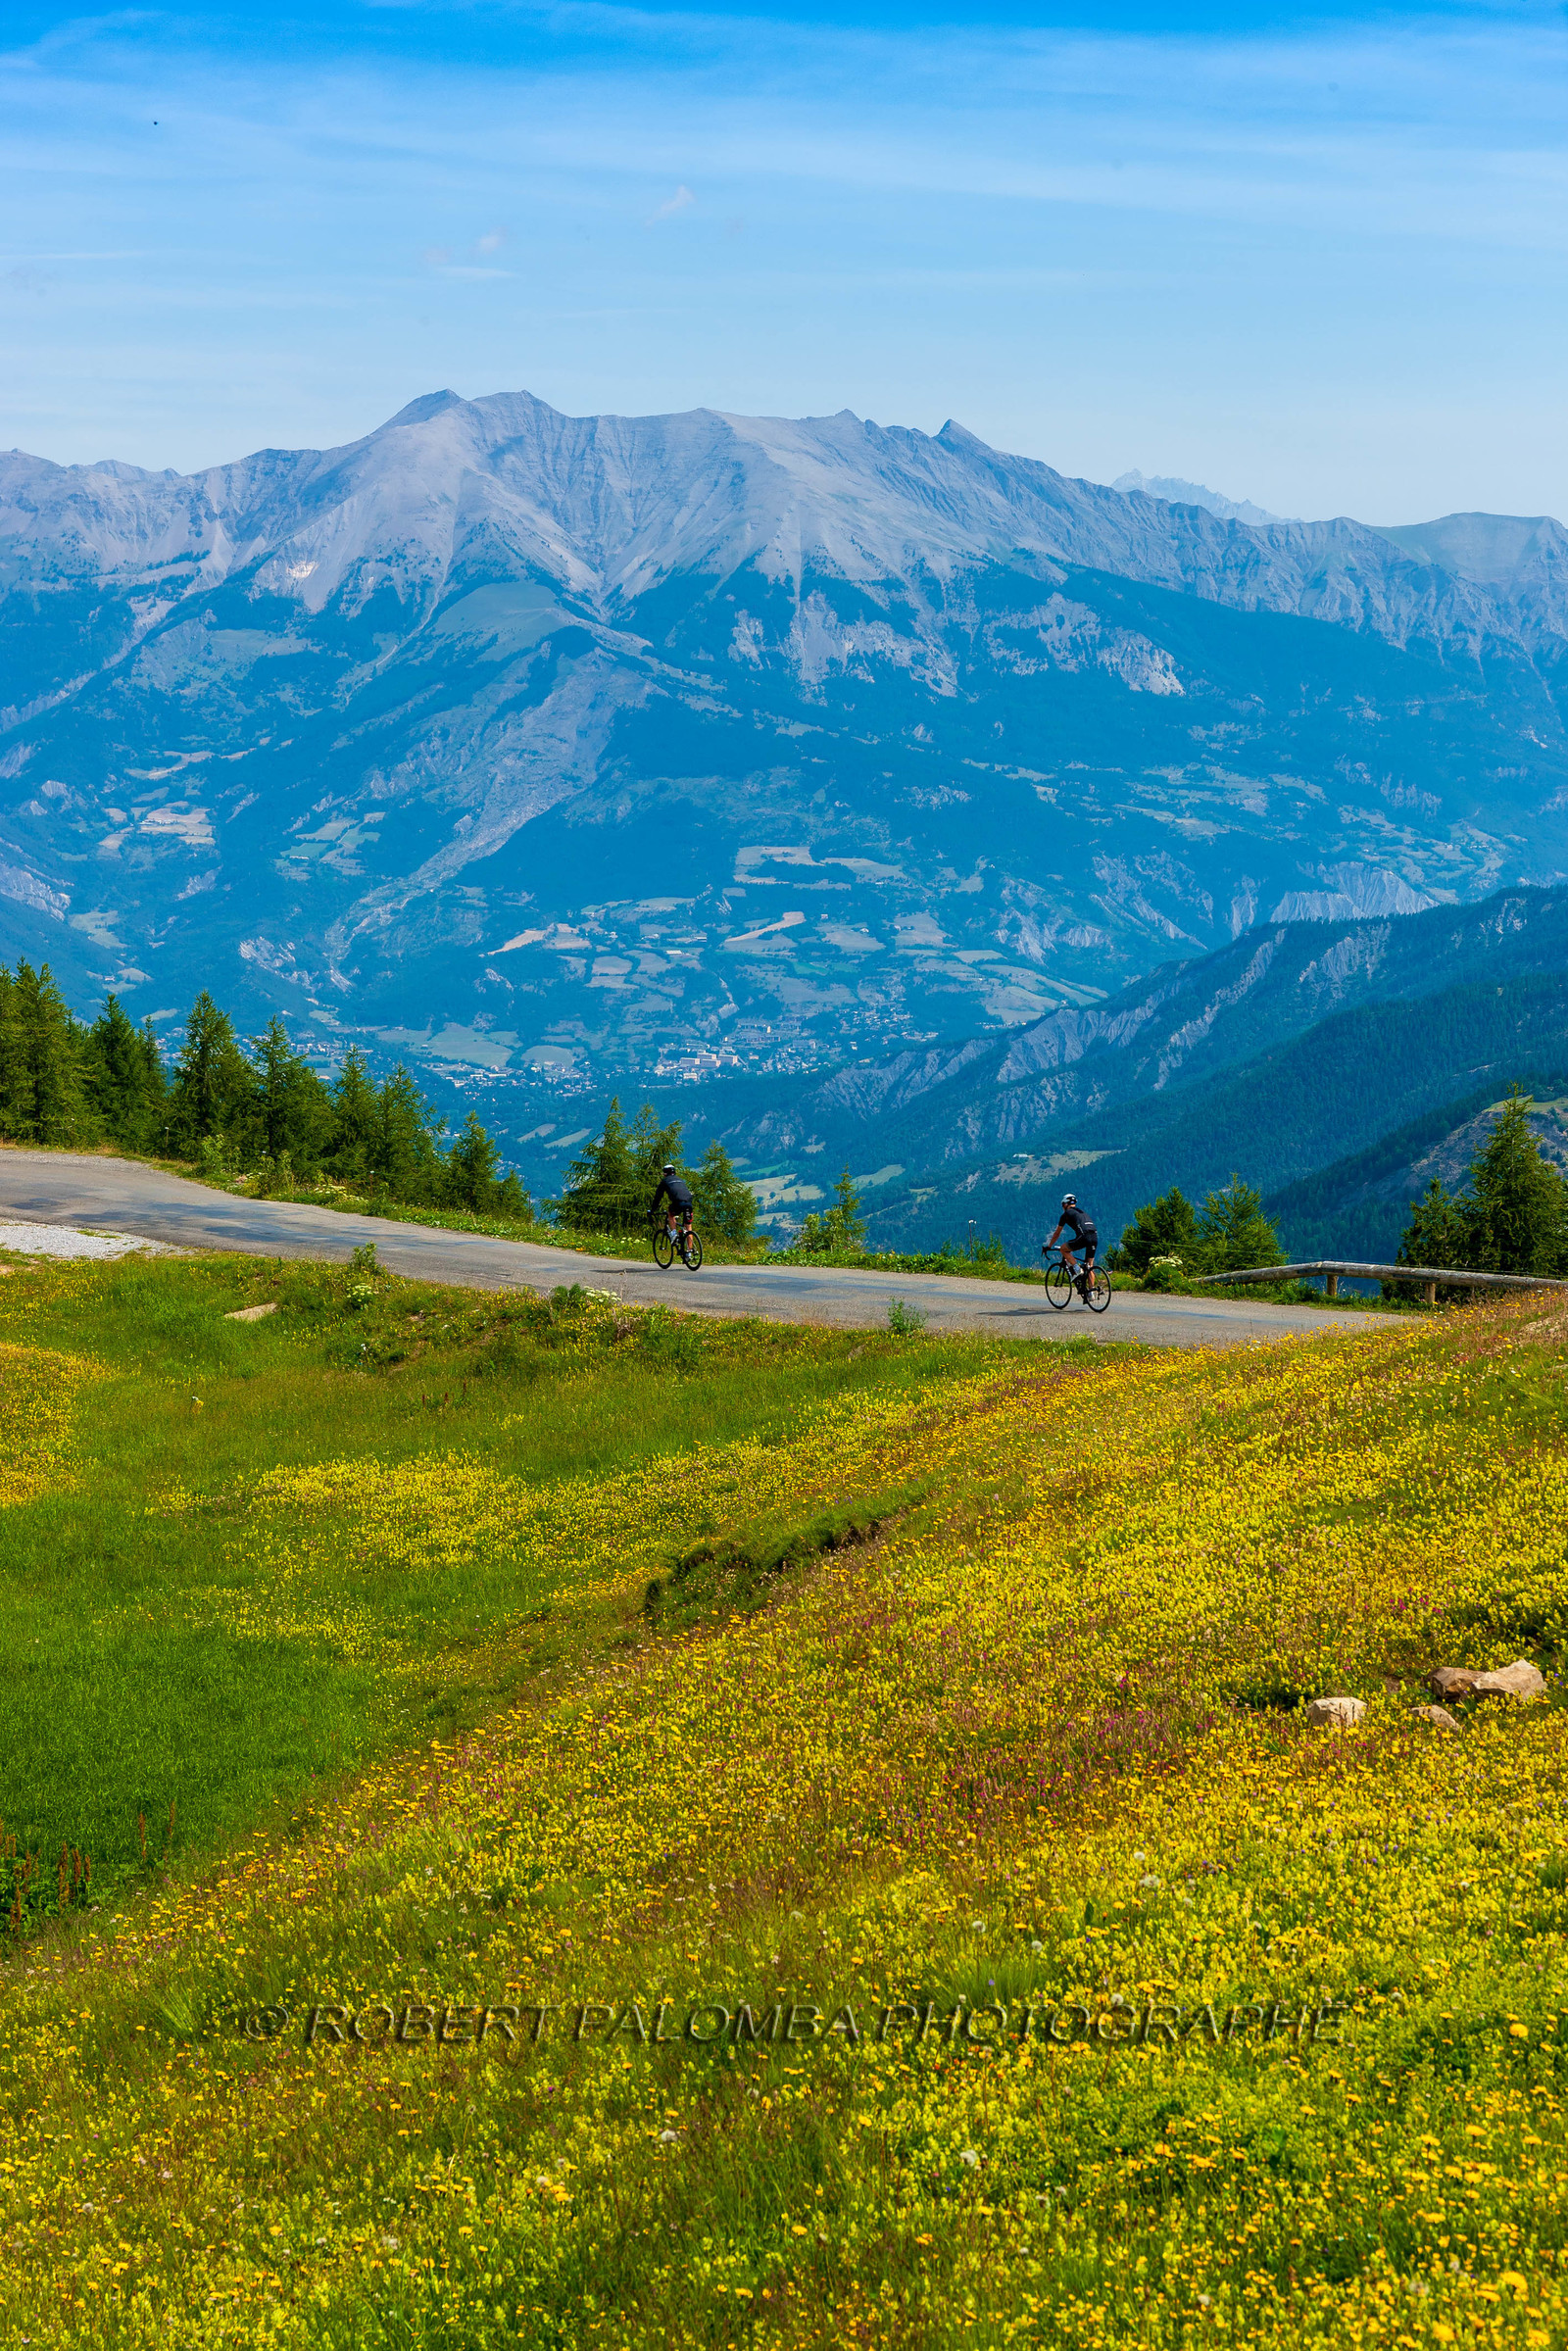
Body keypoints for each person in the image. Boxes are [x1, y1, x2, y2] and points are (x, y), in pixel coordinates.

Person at [1043, 1194, 1099, 1296]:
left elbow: (1056, 1233)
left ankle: (1077, 1269)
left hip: (1084, 1236)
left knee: (1063, 1249)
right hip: (1094, 1236)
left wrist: (1049, 1246)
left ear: (1065, 1204)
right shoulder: (1082, 1212)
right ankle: (1091, 1293)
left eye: (1062, 1205)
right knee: (1089, 1266)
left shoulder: (1066, 1214)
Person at [651, 1160, 695, 1247]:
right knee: (688, 1227)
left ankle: (674, 1233)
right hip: (689, 1203)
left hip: (678, 1202)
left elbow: (658, 1197)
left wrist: (652, 1210)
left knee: (670, 1213)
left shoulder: (665, 1181)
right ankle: (689, 1252)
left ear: (665, 1173)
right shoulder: (680, 1180)